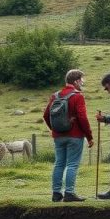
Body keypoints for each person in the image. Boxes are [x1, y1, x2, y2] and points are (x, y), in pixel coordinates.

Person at [42, 69, 94, 202]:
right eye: (82, 80)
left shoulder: (55, 95)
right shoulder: (78, 96)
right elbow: (82, 118)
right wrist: (89, 136)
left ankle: (56, 193)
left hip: (58, 136)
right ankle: (69, 193)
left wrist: (54, 130)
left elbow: (46, 115)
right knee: (72, 164)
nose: (82, 82)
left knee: (59, 163)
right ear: (76, 81)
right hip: (75, 135)